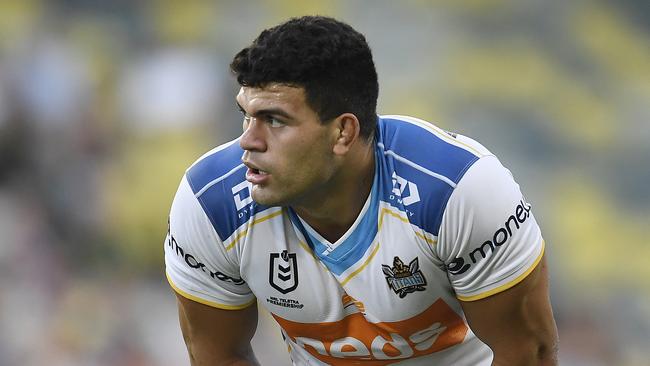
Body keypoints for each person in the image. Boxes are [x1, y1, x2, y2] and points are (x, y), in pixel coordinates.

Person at [164, 15, 559, 365]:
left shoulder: (457, 191)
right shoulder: (210, 203)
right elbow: (217, 355)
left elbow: (528, 353)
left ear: (343, 132)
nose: (248, 141)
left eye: (274, 120)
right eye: (246, 115)